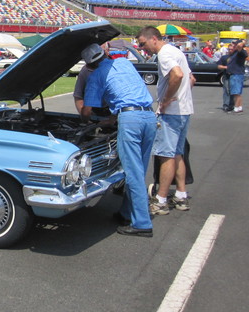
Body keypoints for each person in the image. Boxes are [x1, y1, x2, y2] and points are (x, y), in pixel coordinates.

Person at [80, 43, 156, 237]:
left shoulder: (96, 76)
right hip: (149, 116)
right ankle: (127, 213)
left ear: (88, 65)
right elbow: (129, 93)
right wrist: (113, 117)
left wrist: (85, 115)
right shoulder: (124, 63)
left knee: (132, 172)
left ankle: (142, 223)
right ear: (105, 53)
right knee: (140, 168)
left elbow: (87, 112)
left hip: (130, 120)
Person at [136, 26, 195, 215]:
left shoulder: (164, 54)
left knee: (166, 155)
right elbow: (191, 79)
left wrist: (166, 99)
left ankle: (160, 199)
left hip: (172, 113)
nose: (143, 48)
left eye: (143, 44)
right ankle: (181, 195)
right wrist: (182, 95)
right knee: (177, 154)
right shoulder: (176, 51)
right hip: (184, 110)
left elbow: (177, 75)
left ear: (154, 38)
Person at [226, 39, 247, 113]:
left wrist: (243, 42)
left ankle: (236, 107)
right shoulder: (235, 53)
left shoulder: (241, 52)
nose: (234, 45)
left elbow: (239, 45)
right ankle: (239, 107)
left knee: (236, 92)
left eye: (235, 44)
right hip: (234, 74)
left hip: (237, 74)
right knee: (237, 92)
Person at [216, 40, 235, 112]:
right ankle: (226, 105)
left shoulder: (237, 57)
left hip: (235, 76)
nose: (230, 50)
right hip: (227, 75)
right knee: (226, 90)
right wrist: (225, 67)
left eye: (232, 49)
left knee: (234, 91)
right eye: (229, 49)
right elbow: (219, 66)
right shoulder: (224, 57)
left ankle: (232, 105)